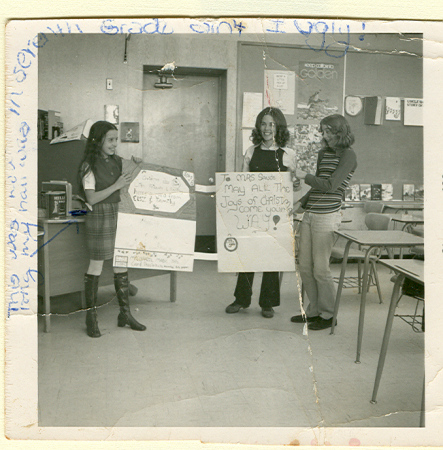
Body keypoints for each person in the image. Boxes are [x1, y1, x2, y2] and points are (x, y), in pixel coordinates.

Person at [225, 107, 297, 318]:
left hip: (276, 214)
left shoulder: (288, 154)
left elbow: (293, 185)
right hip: (252, 211)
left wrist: (296, 183)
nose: (267, 128)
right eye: (263, 123)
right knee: (247, 255)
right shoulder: (251, 151)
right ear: (258, 126)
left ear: (279, 127)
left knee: (271, 257)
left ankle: (268, 303)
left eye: (272, 124)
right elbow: (241, 180)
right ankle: (241, 299)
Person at [78, 120, 146, 338]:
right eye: (111, 140)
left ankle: (124, 314)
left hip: (119, 214)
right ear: (98, 140)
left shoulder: (118, 161)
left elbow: (132, 179)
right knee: (96, 265)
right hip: (99, 216)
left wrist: (137, 165)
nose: (115, 144)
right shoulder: (88, 165)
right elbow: (92, 198)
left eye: (116, 140)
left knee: (121, 263)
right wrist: (116, 185)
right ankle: (91, 317)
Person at [290, 114, 357, 331]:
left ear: (340, 132)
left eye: (329, 131)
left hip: (327, 216)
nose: (325, 136)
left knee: (321, 269)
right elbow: (318, 187)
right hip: (310, 214)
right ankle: (313, 311)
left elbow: (330, 185)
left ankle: (329, 315)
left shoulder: (349, 156)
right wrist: (301, 202)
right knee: (304, 267)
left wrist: (304, 176)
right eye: (323, 131)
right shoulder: (323, 154)